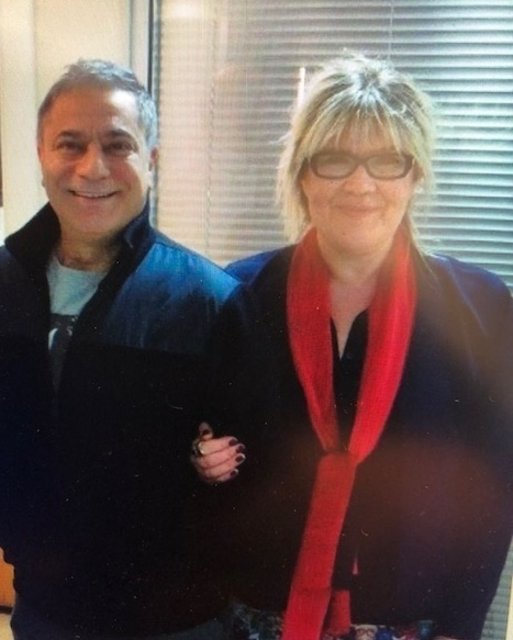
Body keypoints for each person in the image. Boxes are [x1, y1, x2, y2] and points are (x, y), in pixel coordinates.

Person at [192, 52, 513, 640]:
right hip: (257, 620)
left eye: (387, 160)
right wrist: (200, 459)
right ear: (302, 174)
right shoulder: (236, 296)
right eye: (335, 159)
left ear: (415, 175)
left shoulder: (482, 310)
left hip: (414, 625)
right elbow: (203, 448)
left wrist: (461, 628)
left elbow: (495, 491)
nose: (361, 184)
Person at [0, 59, 249, 640]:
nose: (93, 167)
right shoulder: (4, 286)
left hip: (176, 622)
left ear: (150, 160)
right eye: (70, 144)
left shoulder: (209, 301)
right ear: (41, 154)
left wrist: (214, 465)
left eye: (118, 145)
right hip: (42, 610)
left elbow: (253, 466)